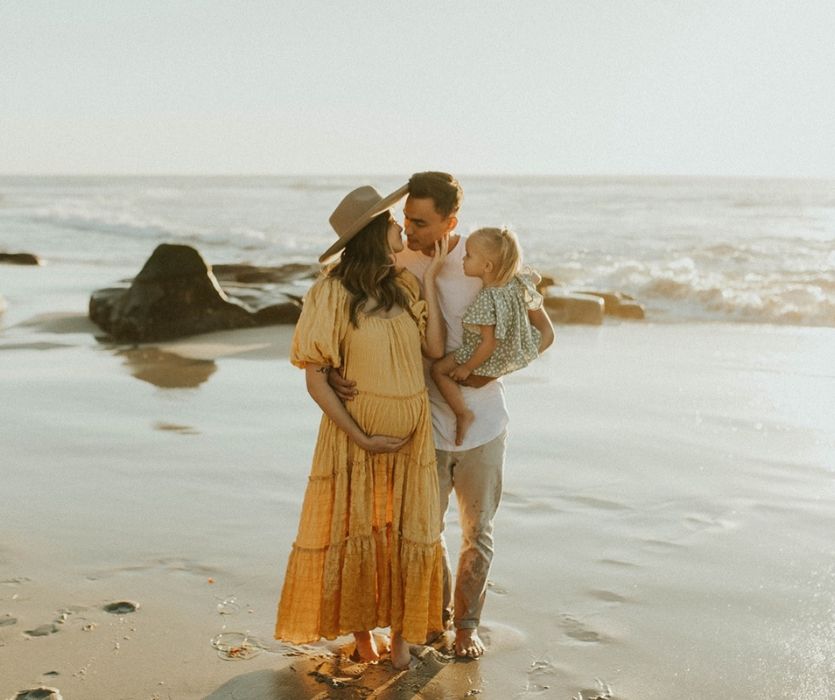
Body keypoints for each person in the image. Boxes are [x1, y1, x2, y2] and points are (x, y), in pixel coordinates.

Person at [330, 172, 555, 659]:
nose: (409, 230)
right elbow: (357, 318)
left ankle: (468, 628)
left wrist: (490, 371)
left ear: (451, 221)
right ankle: (436, 619)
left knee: (478, 533)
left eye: (420, 222)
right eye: (406, 219)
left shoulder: (485, 262)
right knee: (422, 534)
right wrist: (333, 373)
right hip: (423, 425)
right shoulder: (397, 262)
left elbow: (543, 332)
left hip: (485, 424)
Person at [275, 184, 449, 670]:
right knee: (356, 530)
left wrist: (431, 281)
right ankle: (363, 638)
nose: (401, 227)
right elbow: (315, 378)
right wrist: (360, 435)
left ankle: (400, 642)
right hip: (355, 439)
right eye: (393, 220)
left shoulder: (408, 286)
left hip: (411, 440)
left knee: (403, 535)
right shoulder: (330, 291)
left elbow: (433, 350)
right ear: (375, 231)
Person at [431, 227, 544, 446]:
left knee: (438, 371)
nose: (463, 259)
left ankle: (462, 413)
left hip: (478, 354)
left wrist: (466, 367)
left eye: (469, 256)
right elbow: (533, 277)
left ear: (487, 266)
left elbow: (488, 343)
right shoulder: (514, 284)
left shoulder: (486, 298)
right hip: (503, 352)